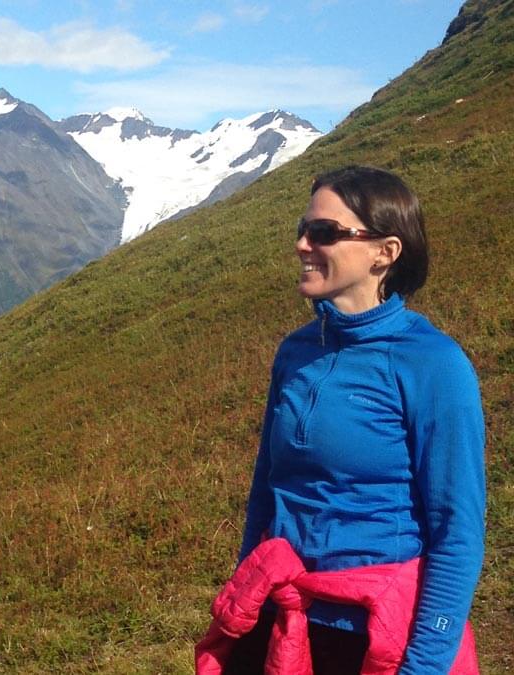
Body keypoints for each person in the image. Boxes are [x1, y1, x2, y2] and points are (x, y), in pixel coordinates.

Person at [197, 166, 486, 674]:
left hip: (371, 633)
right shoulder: (297, 351)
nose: (303, 245)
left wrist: (425, 664)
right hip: (282, 614)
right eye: (302, 230)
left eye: (325, 233)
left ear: (385, 252)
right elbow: (268, 489)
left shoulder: (432, 363)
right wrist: (245, 599)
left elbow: (456, 529)